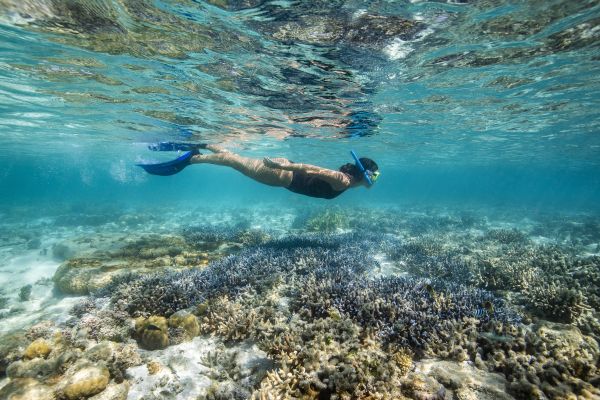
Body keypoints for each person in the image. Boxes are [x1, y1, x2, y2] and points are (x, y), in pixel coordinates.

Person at [137, 142, 379, 199]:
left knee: (235, 159)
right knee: (233, 162)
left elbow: (312, 169)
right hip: (281, 174)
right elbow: (311, 168)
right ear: (365, 174)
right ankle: (192, 158)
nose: (374, 182)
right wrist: (283, 166)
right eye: (374, 177)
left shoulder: (345, 180)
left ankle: (202, 143)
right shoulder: (344, 181)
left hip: (285, 172)